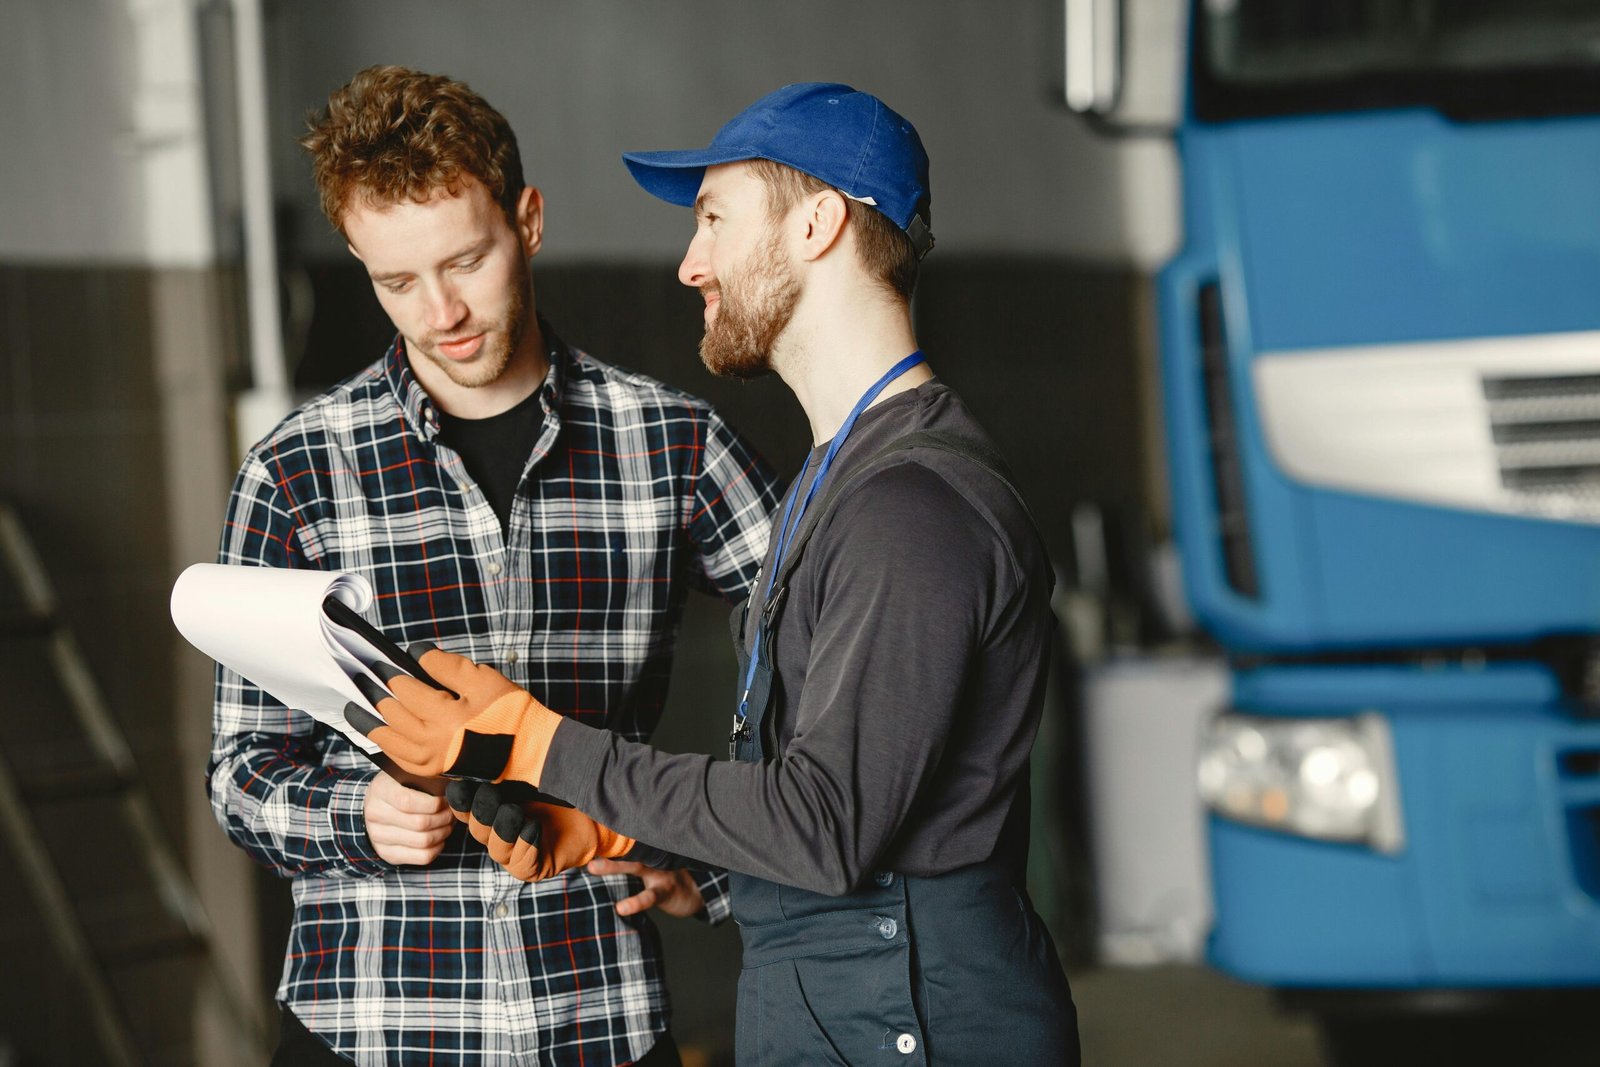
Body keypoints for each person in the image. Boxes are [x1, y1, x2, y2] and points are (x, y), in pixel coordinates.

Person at [349, 82, 1080, 1065]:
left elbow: (827, 822)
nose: (691, 263)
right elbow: (830, 795)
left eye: (713, 218)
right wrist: (631, 840)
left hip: (915, 1017)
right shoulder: (839, 477)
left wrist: (535, 742)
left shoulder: (911, 509)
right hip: (854, 1006)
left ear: (819, 222)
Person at [206, 65, 779, 1067]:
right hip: (368, 1019)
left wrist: (713, 867)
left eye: (467, 259)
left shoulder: (672, 442)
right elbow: (240, 772)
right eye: (395, 281)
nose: (440, 311)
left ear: (529, 220)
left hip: (596, 1011)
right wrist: (362, 814)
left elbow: (828, 680)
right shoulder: (295, 470)